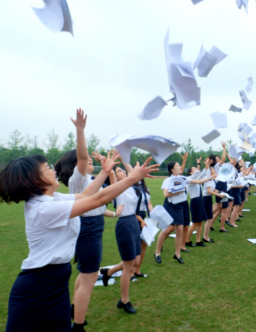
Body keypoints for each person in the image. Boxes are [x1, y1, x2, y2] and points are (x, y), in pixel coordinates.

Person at [1, 145, 158, 332]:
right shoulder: (44, 209)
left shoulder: (53, 199)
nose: (54, 170)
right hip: (38, 288)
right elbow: (98, 200)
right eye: (48, 168)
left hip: (55, 283)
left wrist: (105, 172)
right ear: (36, 179)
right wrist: (133, 178)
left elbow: (86, 194)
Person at [54, 109, 125, 329]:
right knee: (89, 278)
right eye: (82, 162)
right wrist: (80, 130)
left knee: (86, 274)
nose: (87, 163)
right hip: (88, 228)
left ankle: (75, 310)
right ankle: (78, 325)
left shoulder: (86, 181)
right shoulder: (79, 177)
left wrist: (107, 170)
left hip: (92, 227)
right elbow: (83, 157)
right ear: (76, 165)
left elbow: (106, 193)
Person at [100, 165, 149, 314]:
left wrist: (139, 220)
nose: (119, 172)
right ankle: (124, 300)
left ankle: (108, 272)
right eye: (117, 171)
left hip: (133, 222)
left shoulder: (134, 188)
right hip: (124, 224)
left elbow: (133, 207)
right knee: (129, 266)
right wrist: (114, 168)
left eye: (121, 170)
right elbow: (115, 178)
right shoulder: (116, 188)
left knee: (134, 262)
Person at [155, 160, 215, 264]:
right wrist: (179, 191)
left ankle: (177, 254)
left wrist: (210, 178)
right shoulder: (168, 180)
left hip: (181, 206)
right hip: (171, 206)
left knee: (179, 231)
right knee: (166, 229)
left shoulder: (182, 178)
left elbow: (198, 181)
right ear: (172, 169)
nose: (180, 167)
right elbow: (166, 194)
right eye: (177, 165)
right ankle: (157, 252)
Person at [185, 157, 209, 247]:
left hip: (200, 200)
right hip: (195, 202)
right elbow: (198, 174)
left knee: (200, 222)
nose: (196, 169)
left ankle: (198, 241)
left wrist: (206, 165)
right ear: (191, 172)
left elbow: (201, 175)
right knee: (195, 223)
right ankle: (187, 240)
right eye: (194, 169)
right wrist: (201, 165)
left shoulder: (196, 179)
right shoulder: (189, 180)